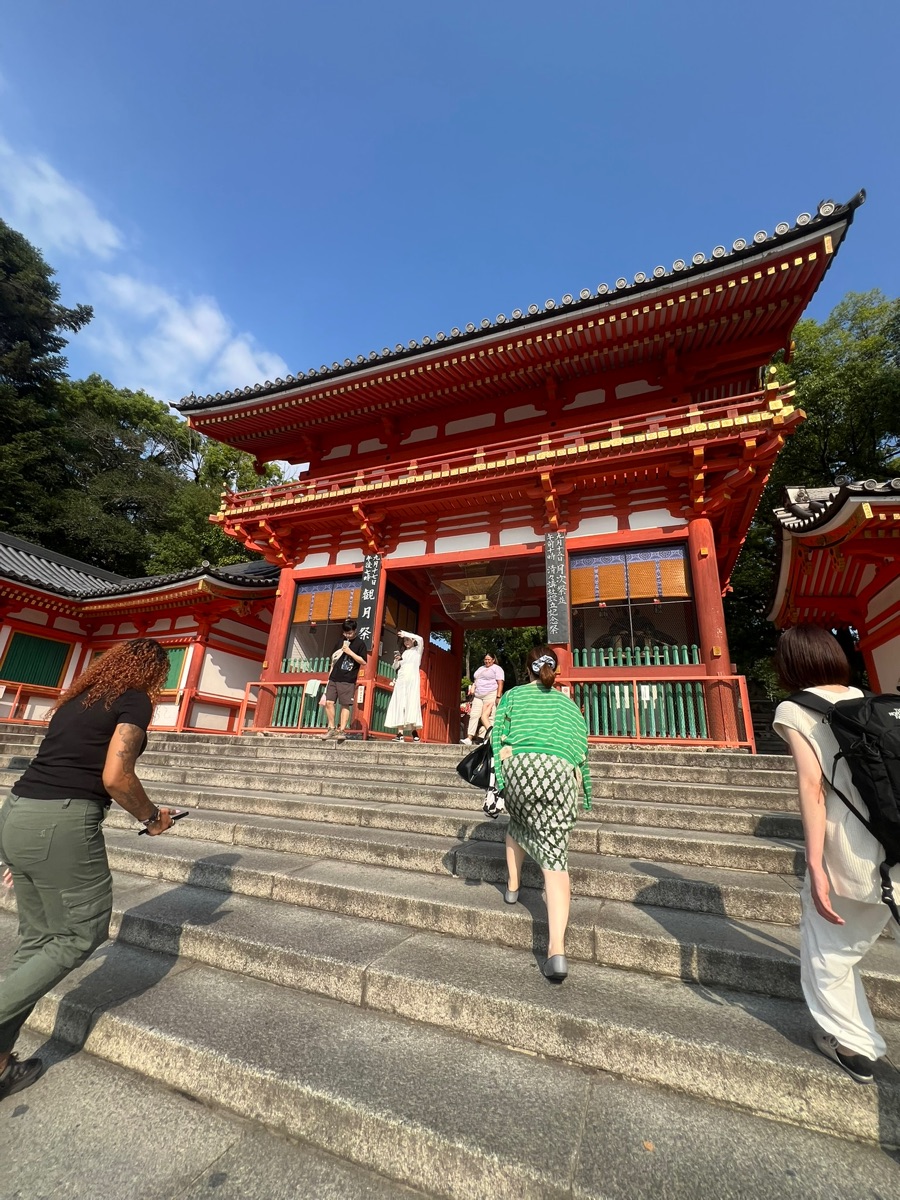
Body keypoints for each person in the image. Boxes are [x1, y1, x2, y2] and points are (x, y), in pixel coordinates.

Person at [0, 638, 179, 1102]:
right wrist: (152, 818)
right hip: (60, 822)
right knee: (81, 932)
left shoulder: (76, 699)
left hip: (17, 814)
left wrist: (13, 855)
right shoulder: (133, 699)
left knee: (39, 939)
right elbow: (116, 776)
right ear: (154, 673)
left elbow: (55, 763)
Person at [773, 625, 900, 1085]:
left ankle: (853, 1043)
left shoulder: (795, 708)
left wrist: (813, 863)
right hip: (897, 843)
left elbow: (812, 787)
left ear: (790, 664)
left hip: (850, 850)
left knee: (828, 955)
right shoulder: (870, 702)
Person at [492, 645, 591, 982]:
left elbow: (496, 738)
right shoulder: (571, 706)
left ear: (528, 669)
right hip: (559, 776)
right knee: (555, 859)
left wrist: (502, 777)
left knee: (517, 822)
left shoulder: (514, 695)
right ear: (556, 669)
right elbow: (581, 752)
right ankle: (557, 950)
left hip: (520, 770)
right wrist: (586, 792)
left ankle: (513, 886)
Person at [322, 618, 368, 741]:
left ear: (355, 631)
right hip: (334, 677)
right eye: (345, 633)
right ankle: (331, 729)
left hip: (348, 678)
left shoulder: (360, 644)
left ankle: (341, 730)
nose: (347, 635)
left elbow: (363, 661)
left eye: (349, 633)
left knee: (345, 704)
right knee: (329, 702)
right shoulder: (340, 641)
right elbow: (333, 658)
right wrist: (330, 674)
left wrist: (350, 652)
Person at [385, 629, 425, 742]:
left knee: (411, 705)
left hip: (412, 682)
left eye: (408, 640)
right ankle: (400, 733)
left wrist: (406, 634)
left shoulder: (417, 651)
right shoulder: (404, 653)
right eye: (405, 640)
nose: (406, 642)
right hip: (401, 681)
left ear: (413, 640)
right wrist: (397, 661)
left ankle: (414, 731)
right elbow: (396, 667)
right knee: (400, 705)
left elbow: (421, 639)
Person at [461, 652, 505, 746]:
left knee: (489, 716)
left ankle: (487, 737)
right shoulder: (481, 668)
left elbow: (500, 682)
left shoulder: (497, 669)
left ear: (493, 660)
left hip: (490, 694)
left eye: (489, 659)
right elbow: (476, 679)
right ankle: (469, 737)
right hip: (478, 695)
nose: (487, 661)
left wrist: (498, 696)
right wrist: (473, 687)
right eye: (486, 659)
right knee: (474, 715)